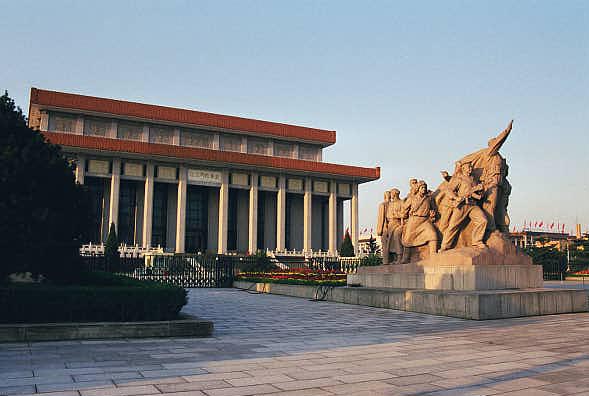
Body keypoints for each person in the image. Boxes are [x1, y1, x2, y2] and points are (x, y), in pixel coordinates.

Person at [440, 162, 488, 250]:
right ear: (463, 169)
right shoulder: (459, 179)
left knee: (483, 220)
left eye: (471, 167)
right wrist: (456, 197)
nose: (470, 168)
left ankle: (477, 241)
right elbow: (448, 190)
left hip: (473, 204)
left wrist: (480, 192)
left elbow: (475, 194)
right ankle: (444, 246)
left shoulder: (474, 180)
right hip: (462, 205)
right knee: (453, 225)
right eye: (468, 167)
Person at [401, 180, 438, 259]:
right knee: (408, 239)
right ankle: (405, 257)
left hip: (425, 221)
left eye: (425, 187)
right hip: (414, 220)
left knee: (432, 234)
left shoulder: (429, 198)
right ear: (418, 188)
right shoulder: (412, 198)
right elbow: (404, 209)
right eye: (422, 187)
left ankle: (433, 254)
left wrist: (433, 214)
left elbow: (434, 209)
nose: (424, 189)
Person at [386, 188, 405, 264]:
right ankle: (394, 258)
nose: (391, 195)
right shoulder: (390, 204)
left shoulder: (401, 202)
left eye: (392, 193)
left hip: (397, 223)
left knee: (396, 237)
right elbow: (388, 215)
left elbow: (404, 214)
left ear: (395, 194)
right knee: (390, 242)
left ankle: (400, 257)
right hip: (390, 224)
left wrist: (396, 215)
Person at [376, 190, 392, 264]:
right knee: (391, 244)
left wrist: (379, 230)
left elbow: (381, 218)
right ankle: (391, 260)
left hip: (385, 228)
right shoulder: (392, 204)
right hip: (392, 227)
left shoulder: (383, 205)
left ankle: (385, 261)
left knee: (385, 246)